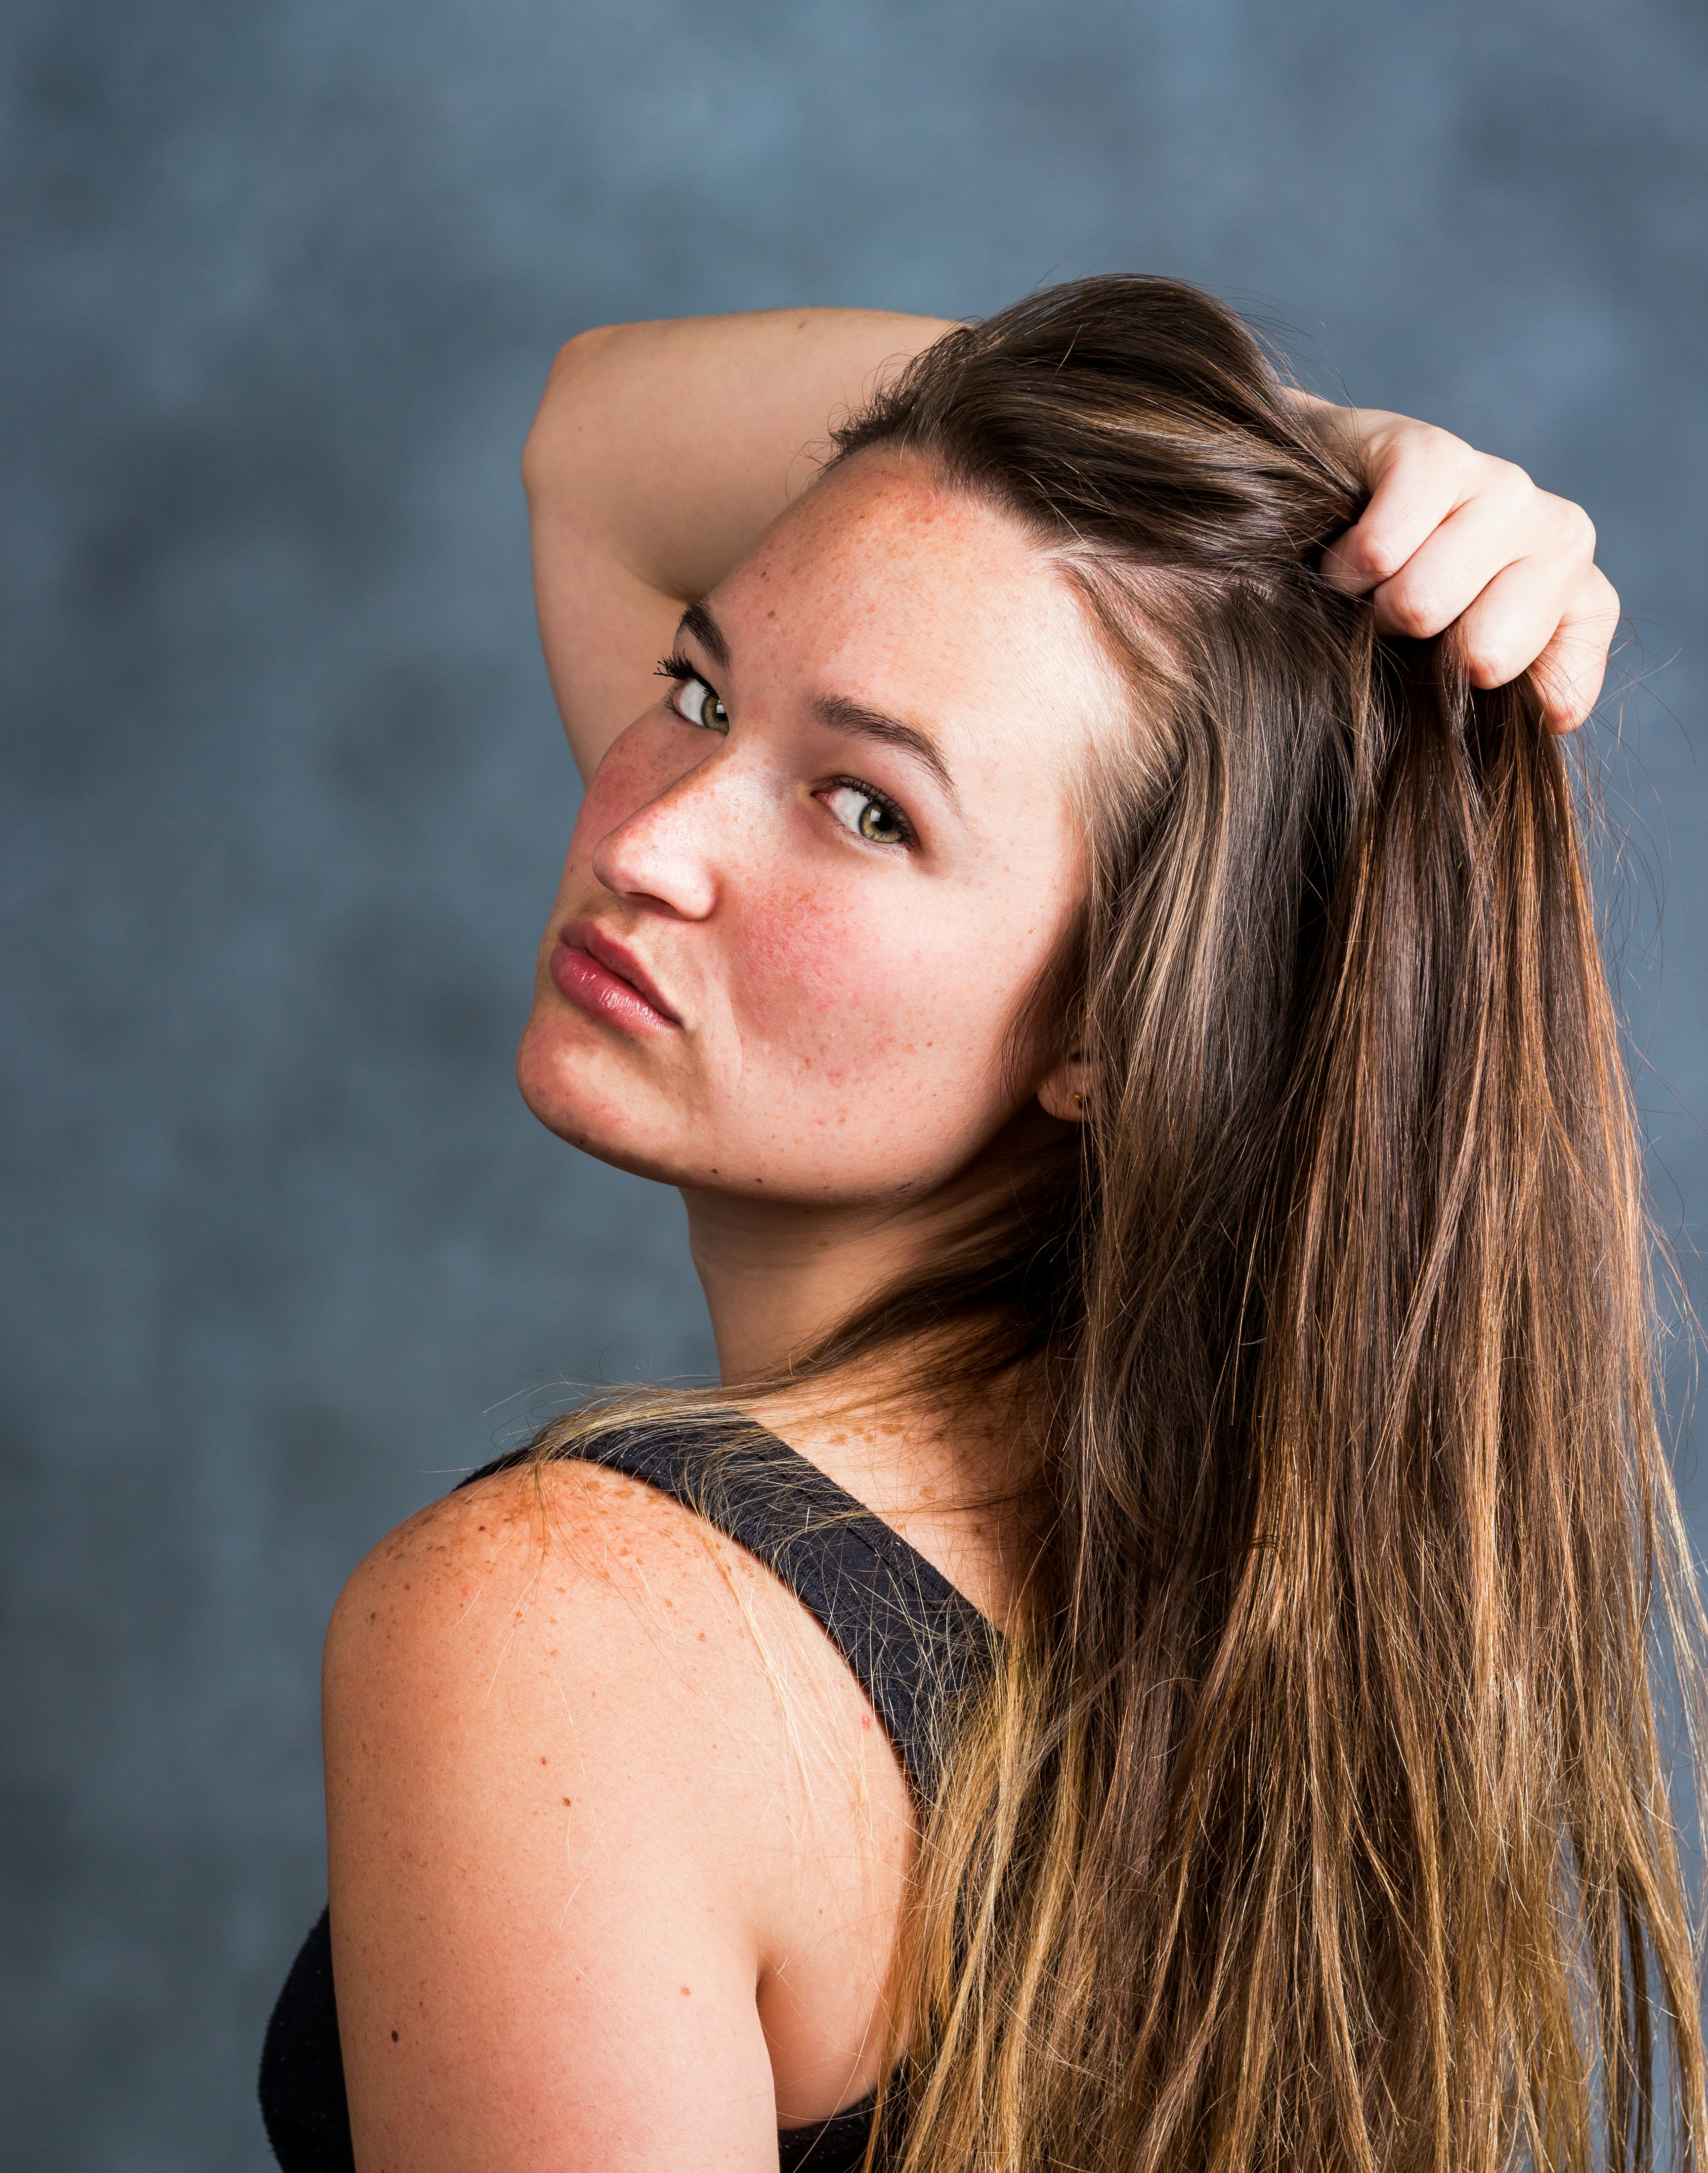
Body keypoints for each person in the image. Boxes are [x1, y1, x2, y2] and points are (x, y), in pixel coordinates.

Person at [260, 280, 1704, 2173]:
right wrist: (1318, 471)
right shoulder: (1283, 1617)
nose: (650, 838)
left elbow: (595, 447)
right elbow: (596, 444)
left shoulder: (569, 1637)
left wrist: (1300, 515)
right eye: (695, 692)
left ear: (1117, 1028)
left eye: (866, 811)